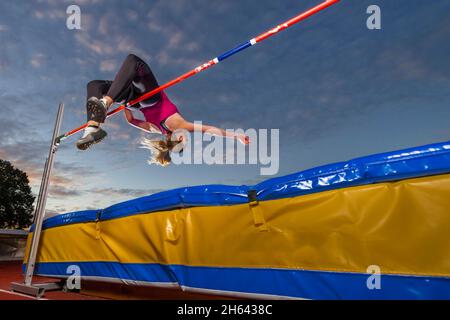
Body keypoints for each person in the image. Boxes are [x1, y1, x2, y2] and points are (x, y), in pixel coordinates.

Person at [77, 54, 250, 166]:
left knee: (134, 62)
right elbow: (131, 121)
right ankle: (92, 128)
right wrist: (124, 106)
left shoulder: (180, 125)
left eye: (185, 140)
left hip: (150, 97)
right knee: (94, 85)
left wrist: (237, 136)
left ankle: (106, 102)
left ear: (180, 138)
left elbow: (211, 131)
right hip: (135, 100)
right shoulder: (156, 129)